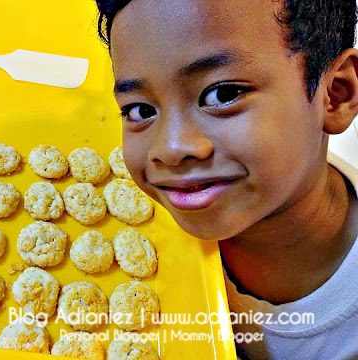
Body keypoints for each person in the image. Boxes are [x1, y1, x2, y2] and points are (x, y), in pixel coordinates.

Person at [94, 0, 358, 358]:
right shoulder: (149, 224)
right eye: (141, 110)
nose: (170, 149)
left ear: (337, 94)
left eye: (223, 94)